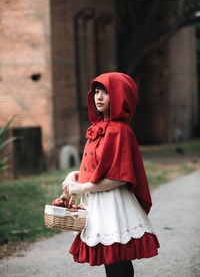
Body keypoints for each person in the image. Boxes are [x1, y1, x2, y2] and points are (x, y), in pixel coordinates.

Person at [62, 72, 160, 277]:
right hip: (98, 201)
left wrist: (81, 187)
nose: (98, 97)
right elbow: (96, 169)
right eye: (96, 91)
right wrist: (75, 175)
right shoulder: (97, 128)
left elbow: (119, 177)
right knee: (111, 261)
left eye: (105, 92)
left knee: (118, 261)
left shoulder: (120, 131)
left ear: (119, 96)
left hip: (113, 204)